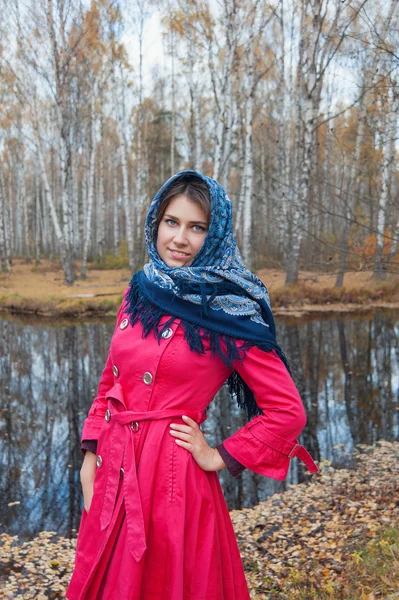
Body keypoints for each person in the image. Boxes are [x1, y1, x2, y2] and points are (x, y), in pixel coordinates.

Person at [66, 170, 318, 600]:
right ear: (155, 223)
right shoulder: (140, 290)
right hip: (114, 467)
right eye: (171, 222)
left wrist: (217, 455)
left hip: (172, 482)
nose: (180, 238)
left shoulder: (229, 308)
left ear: (215, 233)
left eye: (196, 227)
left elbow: (287, 411)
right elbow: (111, 378)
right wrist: (90, 452)